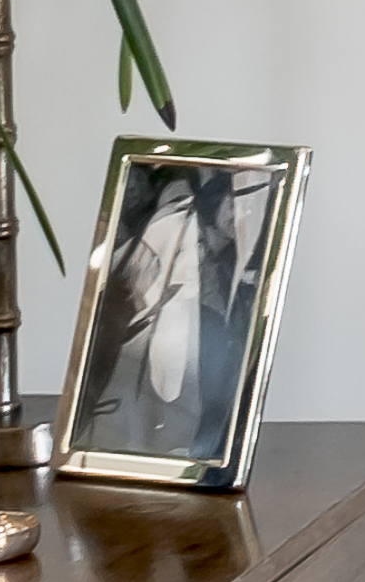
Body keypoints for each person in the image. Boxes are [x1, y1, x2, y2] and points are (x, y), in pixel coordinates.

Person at [75, 176, 244, 466]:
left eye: (247, 209)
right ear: (215, 197)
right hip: (142, 350)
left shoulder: (231, 261)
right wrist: (160, 297)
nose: (238, 215)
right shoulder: (174, 227)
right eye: (233, 203)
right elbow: (134, 279)